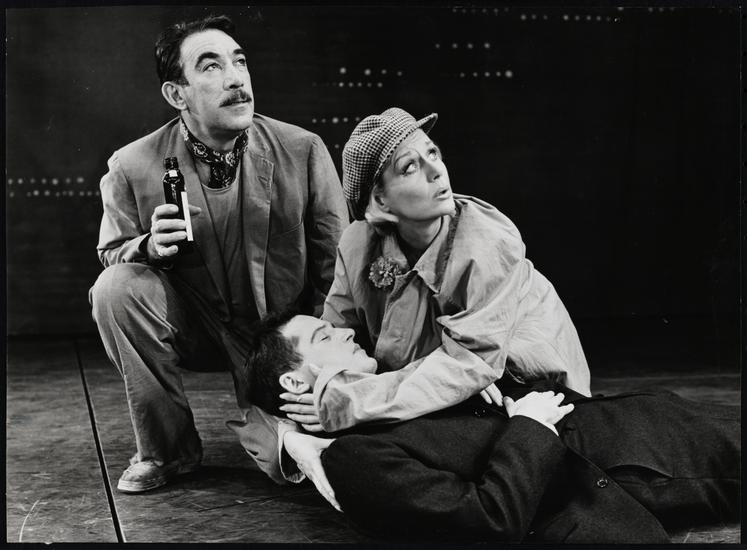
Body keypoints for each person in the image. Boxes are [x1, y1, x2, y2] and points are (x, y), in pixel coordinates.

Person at [88, 14, 347, 493]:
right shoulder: (133, 165)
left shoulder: (302, 150)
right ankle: (167, 452)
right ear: (177, 94)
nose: (235, 79)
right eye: (210, 66)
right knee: (115, 289)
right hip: (197, 327)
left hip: (280, 335)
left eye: (239, 62)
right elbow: (111, 252)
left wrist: (321, 358)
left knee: (294, 462)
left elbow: (338, 265)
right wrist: (148, 246)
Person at [239, 312, 740, 543]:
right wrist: (528, 427)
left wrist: (497, 398)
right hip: (643, 463)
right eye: (325, 337)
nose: (347, 330)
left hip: (644, 424)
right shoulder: (352, 458)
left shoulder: (396, 392)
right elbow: (487, 520)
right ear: (295, 381)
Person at [279, 107, 590, 434]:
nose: (437, 171)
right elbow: (338, 333)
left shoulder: (488, 245)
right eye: (410, 167)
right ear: (381, 202)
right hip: (430, 381)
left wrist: (354, 401)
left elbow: (471, 363)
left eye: (432, 153)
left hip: (526, 383)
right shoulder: (358, 243)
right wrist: (314, 401)